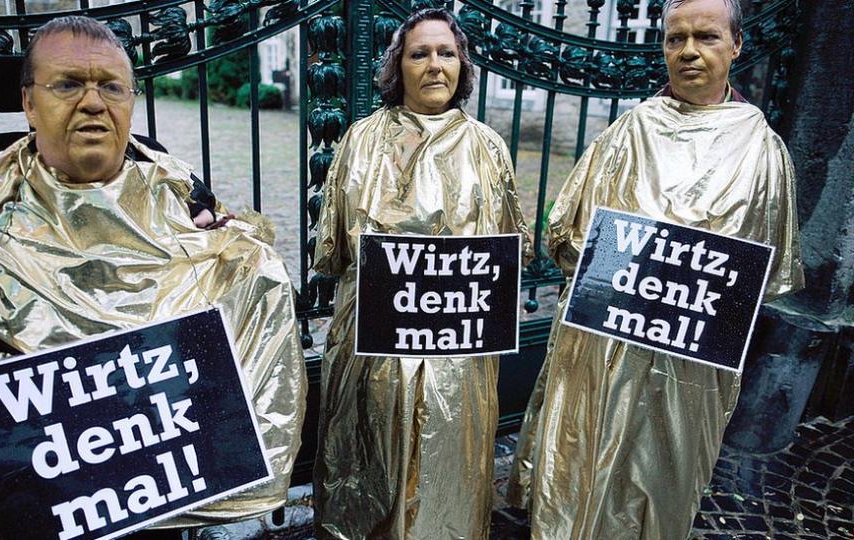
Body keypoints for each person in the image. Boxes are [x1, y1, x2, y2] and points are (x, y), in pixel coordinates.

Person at [0, 15, 306, 535]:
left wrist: (228, 249)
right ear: (28, 103)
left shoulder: (170, 179)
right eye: (67, 84)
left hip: (163, 463)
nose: (93, 103)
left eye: (111, 87)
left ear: (131, 100)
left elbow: (244, 283)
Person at [506, 0, 804, 538]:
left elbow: (766, 276)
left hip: (689, 365)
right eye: (675, 38)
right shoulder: (627, 132)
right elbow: (567, 237)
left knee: (662, 475)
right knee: (584, 459)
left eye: (706, 37)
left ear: (736, 46)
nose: (688, 51)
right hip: (602, 350)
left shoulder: (762, 151)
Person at [312, 8, 534, 539]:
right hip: (375, 353)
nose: (435, 65)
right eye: (419, 54)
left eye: (447, 53)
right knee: (372, 476)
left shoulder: (488, 148)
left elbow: (510, 252)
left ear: (462, 66)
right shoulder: (361, 140)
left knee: (447, 476)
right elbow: (333, 249)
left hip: (458, 358)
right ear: (398, 67)